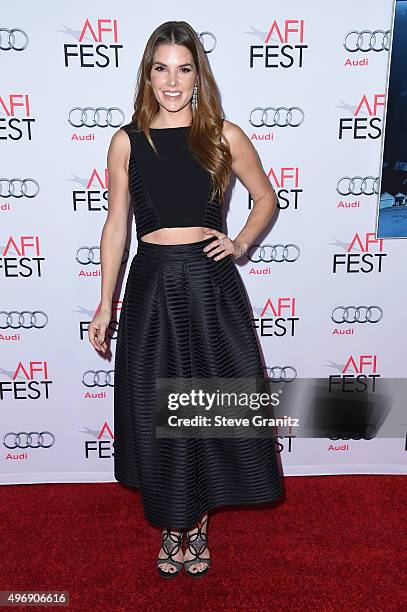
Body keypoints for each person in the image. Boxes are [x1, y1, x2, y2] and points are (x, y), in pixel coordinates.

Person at [88, 20, 283, 579]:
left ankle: (195, 525)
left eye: (183, 68)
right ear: (147, 75)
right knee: (158, 409)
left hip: (209, 284)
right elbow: (115, 226)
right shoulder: (127, 140)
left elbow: (266, 198)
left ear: (199, 74)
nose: (172, 81)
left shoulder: (224, 134)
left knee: (205, 407)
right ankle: (175, 523)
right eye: (161, 68)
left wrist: (241, 242)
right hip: (151, 284)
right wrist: (106, 304)